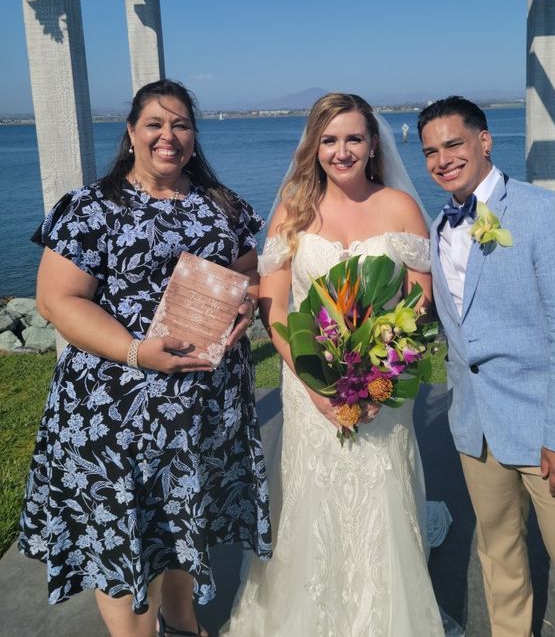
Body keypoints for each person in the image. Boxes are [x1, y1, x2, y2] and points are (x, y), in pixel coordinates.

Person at [18, 79, 271, 637]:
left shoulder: (221, 204)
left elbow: (248, 271)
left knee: (184, 523)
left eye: (181, 125)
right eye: (155, 124)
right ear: (131, 133)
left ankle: (182, 623)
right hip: (116, 412)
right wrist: (137, 353)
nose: (168, 136)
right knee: (125, 538)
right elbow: (57, 299)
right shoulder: (91, 207)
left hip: (204, 410)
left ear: (194, 137)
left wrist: (244, 306)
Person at [222, 92, 449, 637]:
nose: (341, 151)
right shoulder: (293, 210)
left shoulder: (400, 206)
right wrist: (315, 385)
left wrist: (381, 373)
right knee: (313, 498)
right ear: (314, 146)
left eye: (353, 138)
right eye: (329, 140)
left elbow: (421, 300)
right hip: (309, 384)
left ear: (372, 145)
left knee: (381, 490)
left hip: (383, 382)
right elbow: (276, 307)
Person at [418, 96, 555, 636]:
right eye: (431, 152)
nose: (443, 160)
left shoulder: (545, 213)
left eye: (454, 144)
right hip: (475, 431)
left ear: (484, 141)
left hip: (546, 432)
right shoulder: (438, 226)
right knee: (499, 557)